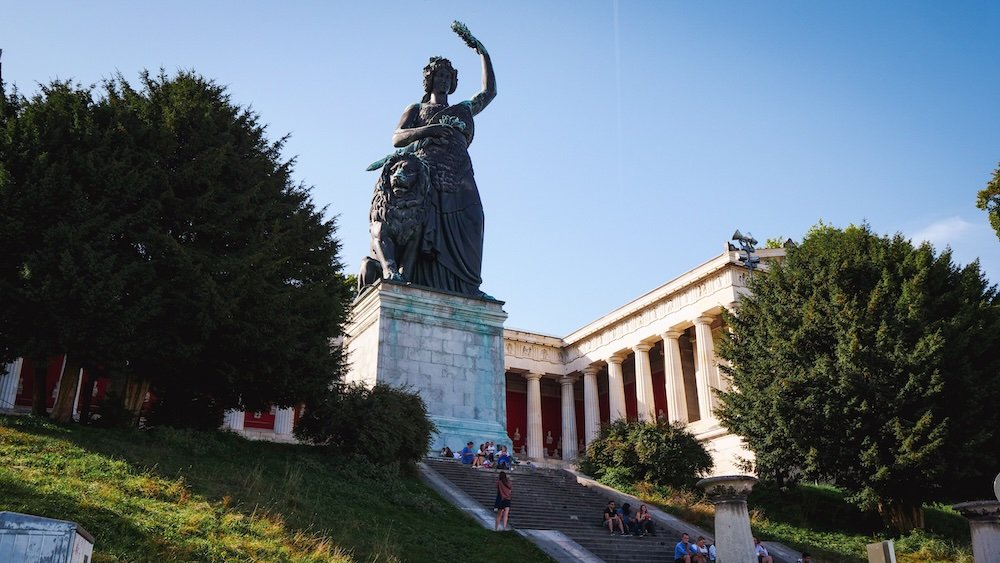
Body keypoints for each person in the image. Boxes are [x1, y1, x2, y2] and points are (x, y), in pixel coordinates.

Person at [387, 24, 496, 296]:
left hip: (460, 174)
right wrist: (428, 130)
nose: (444, 80)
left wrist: (482, 53)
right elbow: (397, 138)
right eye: (439, 75)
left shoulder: (463, 109)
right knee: (428, 228)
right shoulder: (417, 108)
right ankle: (419, 281)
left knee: (474, 220)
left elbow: (489, 92)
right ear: (430, 79)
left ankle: (469, 286)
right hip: (427, 173)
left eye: (448, 76)